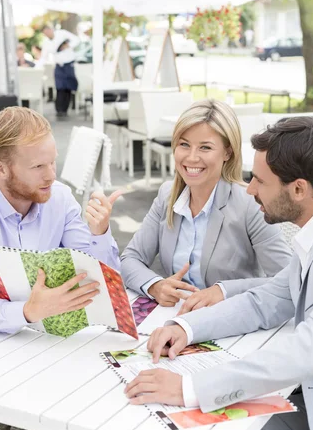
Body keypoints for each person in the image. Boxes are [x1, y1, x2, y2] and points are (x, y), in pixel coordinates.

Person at [125, 117, 313, 430]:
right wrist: (186, 326)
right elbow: (266, 299)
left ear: (298, 189)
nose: (251, 189)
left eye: (259, 181)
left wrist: (190, 387)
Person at [0, 106, 121, 333]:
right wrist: (27, 311)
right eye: (37, 166)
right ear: (1, 169)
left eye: (52, 162)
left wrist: (100, 233)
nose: (51, 175)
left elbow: (102, 281)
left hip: (42, 331)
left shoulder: (60, 198)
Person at [121, 99, 291, 311]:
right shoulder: (167, 195)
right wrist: (155, 285)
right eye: (184, 145)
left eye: (205, 147)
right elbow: (130, 259)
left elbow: (288, 280)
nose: (192, 158)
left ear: (227, 152)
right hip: (174, 318)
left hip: (231, 320)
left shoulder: (250, 205)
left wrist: (223, 290)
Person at [54, 39, 78, 118]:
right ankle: (60, 110)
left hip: (69, 74)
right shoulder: (59, 54)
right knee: (60, 92)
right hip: (61, 74)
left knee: (68, 92)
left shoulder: (70, 52)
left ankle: (65, 110)